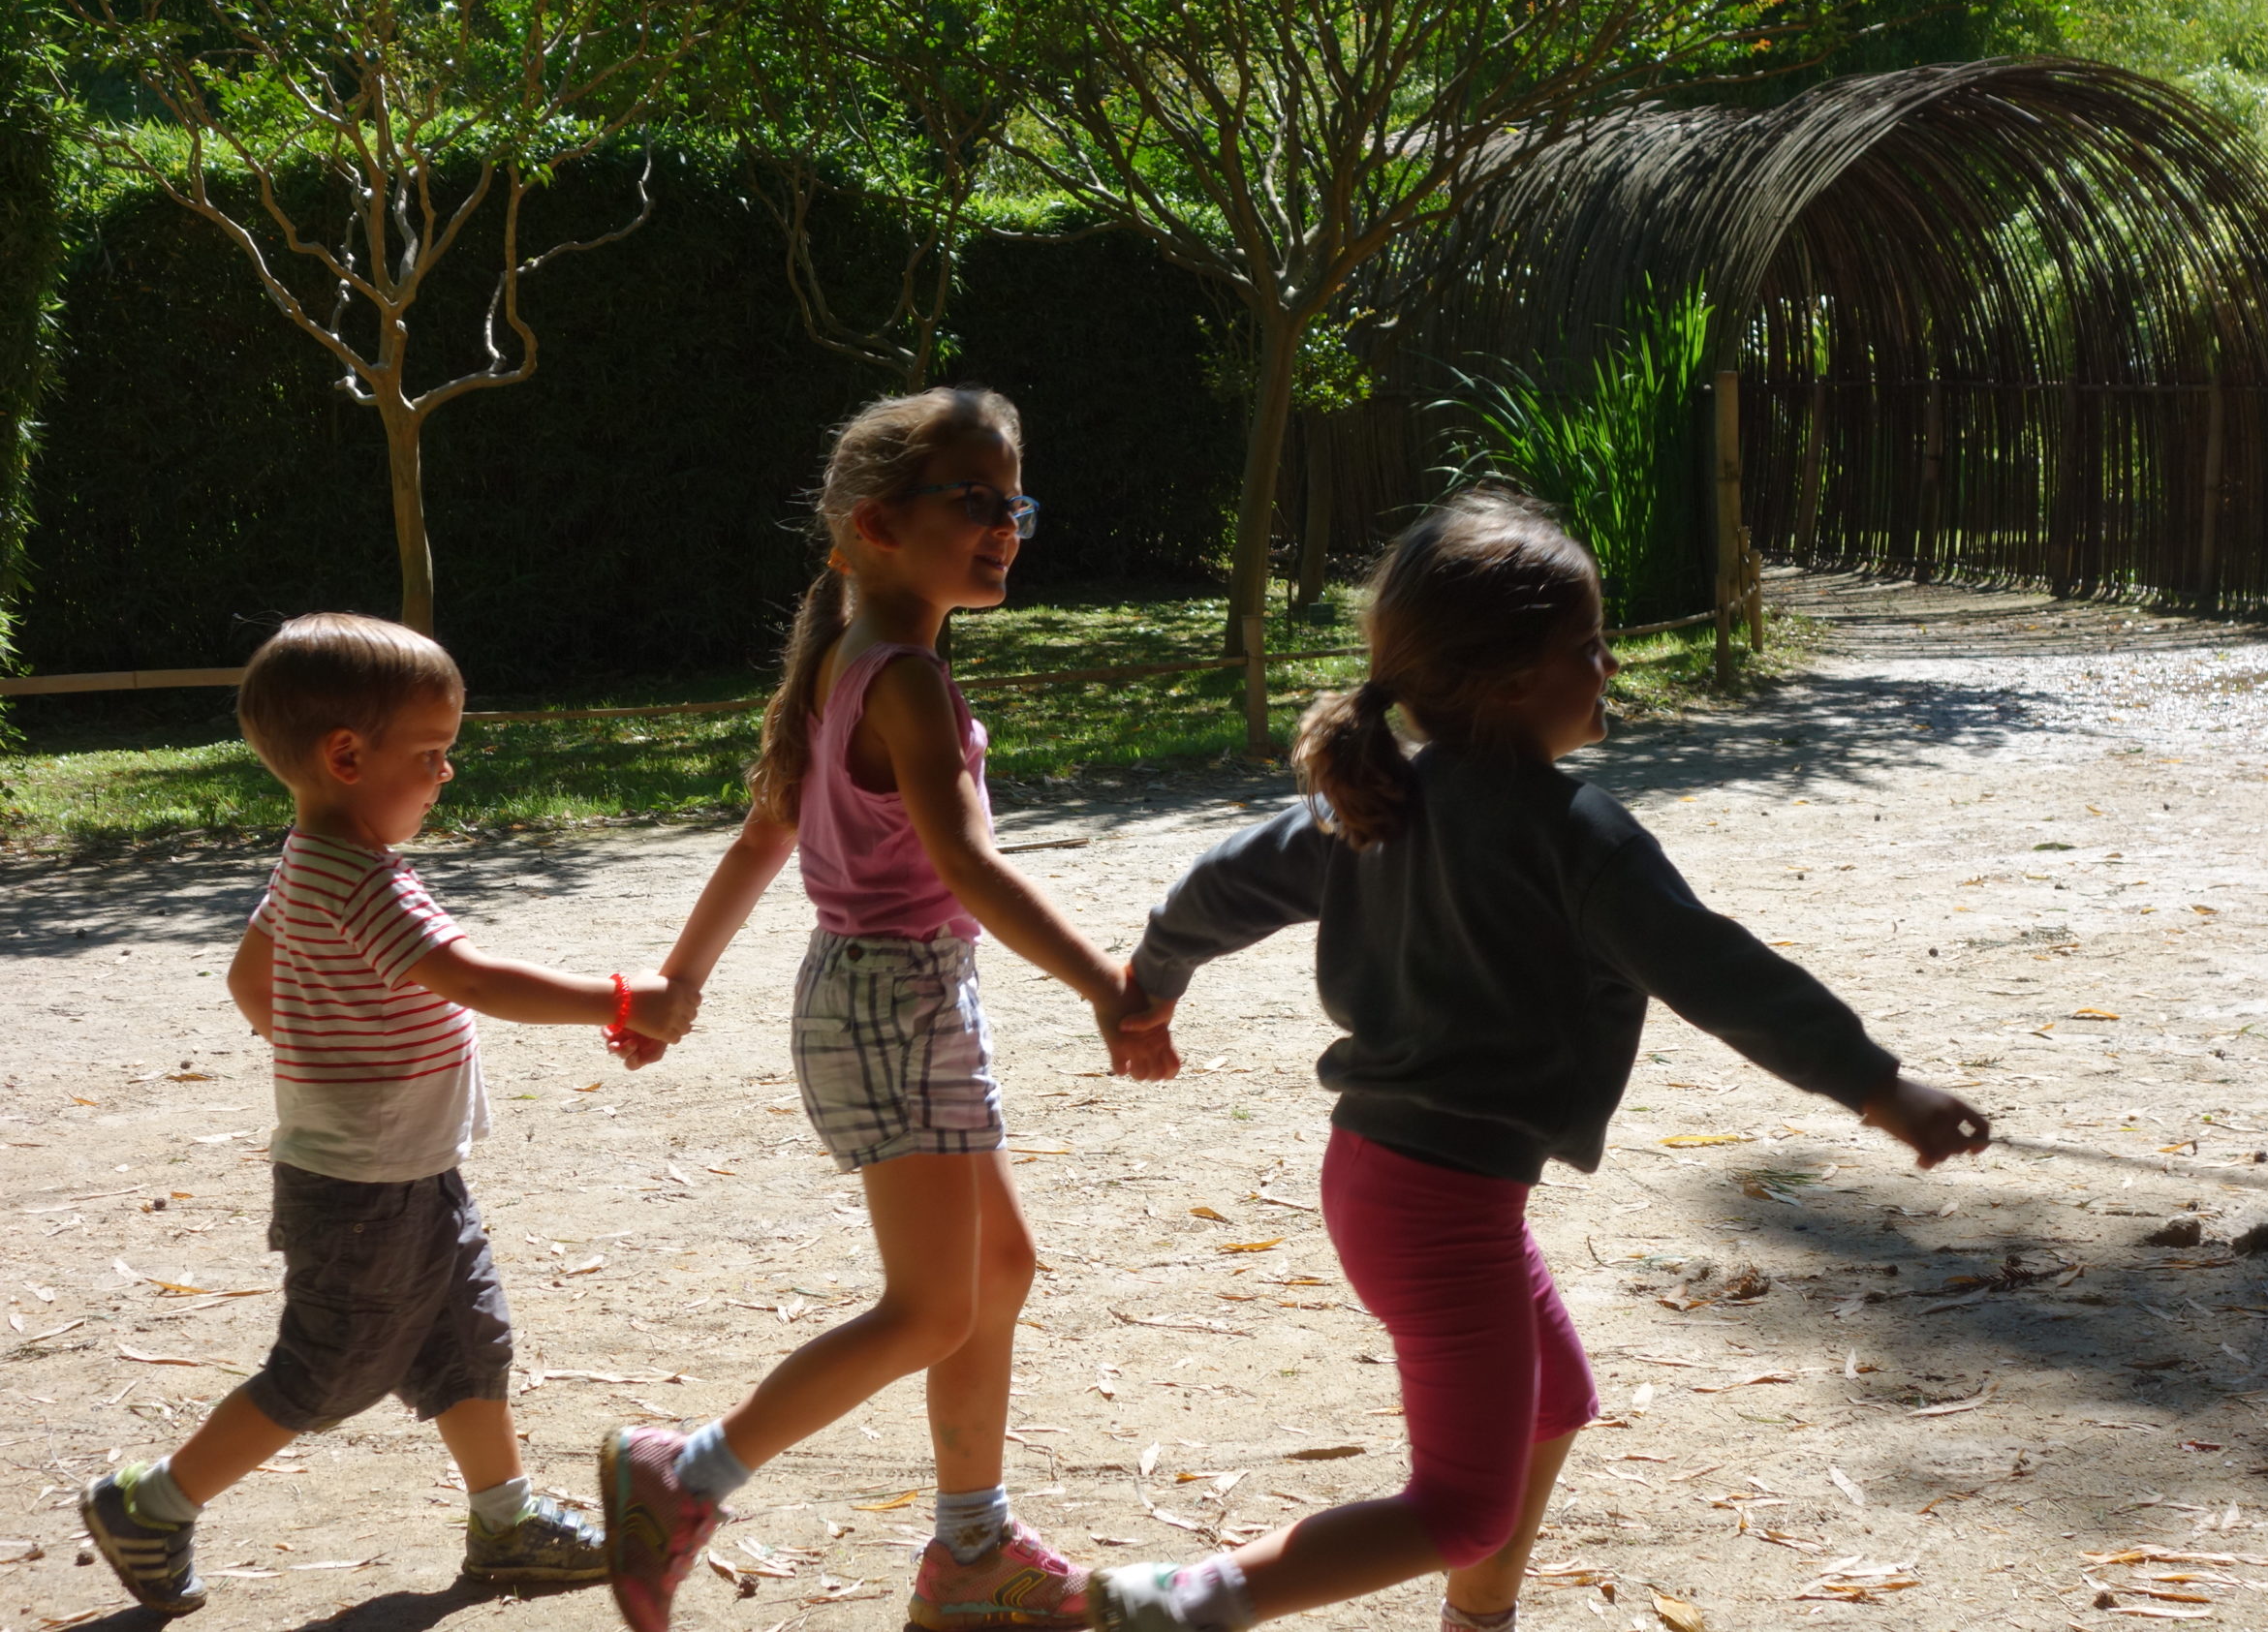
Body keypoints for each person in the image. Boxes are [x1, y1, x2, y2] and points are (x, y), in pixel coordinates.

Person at [1093, 490, 1990, 1632]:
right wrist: (1877, 1084)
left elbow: (1222, 882)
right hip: (1440, 1204)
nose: (1607, 665)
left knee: (1550, 1406)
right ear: (1512, 678)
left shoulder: (1377, 798)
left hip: (1388, 1182)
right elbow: (1719, 973)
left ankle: (1478, 1623)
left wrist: (1155, 978)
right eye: (1588, 645)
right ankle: (1150, 1608)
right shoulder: (1574, 835)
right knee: (1462, 1508)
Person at [598, 386, 1177, 1632]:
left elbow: (764, 835)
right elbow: (966, 864)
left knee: (997, 1269)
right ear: (874, 524)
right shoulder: (900, 679)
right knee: (930, 1306)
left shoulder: (847, 664)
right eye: (973, 501)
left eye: (1014, 503)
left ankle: (972, 1550)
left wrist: (681, 983)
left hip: (902, 996)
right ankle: (683, 1473)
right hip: (891, 1001)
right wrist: (1106, 984)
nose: (1005, 526)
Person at [79, 613, 699, 1617]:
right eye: (431, 752)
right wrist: (621, 999)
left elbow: (251, 979)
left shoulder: (309, 859)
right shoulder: (358, 874)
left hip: (407, 1169)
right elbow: (471, 976)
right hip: (361, 1187)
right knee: (323, 1372)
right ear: (347, 755)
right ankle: (152, 1503)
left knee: (468, 1342)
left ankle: (505, 1521)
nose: (445, 772)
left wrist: (324, 1042)